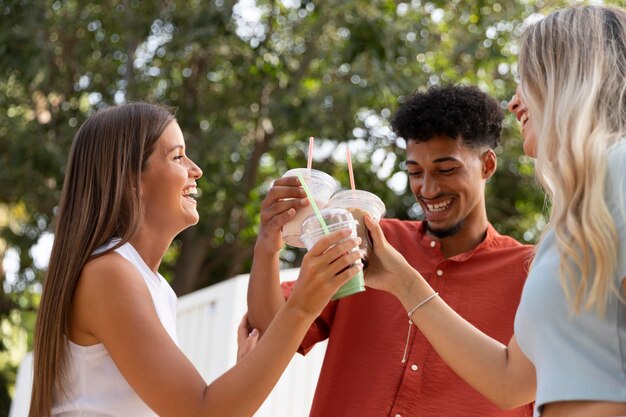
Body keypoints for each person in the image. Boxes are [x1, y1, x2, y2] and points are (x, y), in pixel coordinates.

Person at [363, 5, 626, 417]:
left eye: (528, 79)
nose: (513, 100)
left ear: (568, 79)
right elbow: (509, 381)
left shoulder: (622, 171)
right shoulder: (577, 214)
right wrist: (403, 282)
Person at [28, 102, 363, 417]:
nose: (196, 170)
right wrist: (303, 304)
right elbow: (203, 412)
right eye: (178, 157)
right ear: (130, 180)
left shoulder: (152, 285)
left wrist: (267, 246)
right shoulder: (109, 273)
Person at [247, 85, 534, 416]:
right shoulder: (367, 242)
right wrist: (268, 245)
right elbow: (270, 330)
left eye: (446, 170)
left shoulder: (530, 271)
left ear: (487, 165)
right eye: (415, 172)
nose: (427, 189)